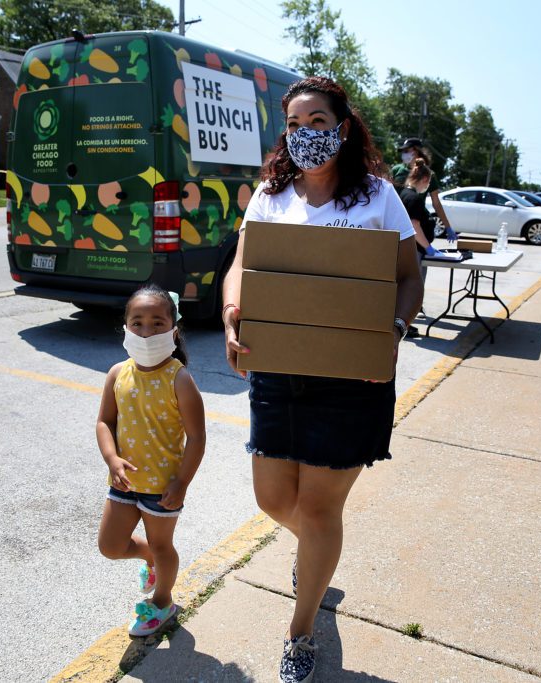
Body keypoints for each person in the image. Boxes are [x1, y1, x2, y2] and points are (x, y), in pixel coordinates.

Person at [220, 76, 422, 683]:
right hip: (277, 369)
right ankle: (317, 558)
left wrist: (394, 327)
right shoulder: (268, 197)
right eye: (295, 124)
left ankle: (300, 630)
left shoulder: (379, 197)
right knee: (274, 501)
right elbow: (241, 267)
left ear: (342, 125)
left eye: (318, 122)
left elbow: (408, 277)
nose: (306, 134)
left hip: (351, 379)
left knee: (318, 505)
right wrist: (232, 311)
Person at [95, 285, 206, 638]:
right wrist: (112, 459)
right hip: (123, 484)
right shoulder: (117, 374)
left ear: (174, 329)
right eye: (138, 322)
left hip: (163, 488)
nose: (146, 331)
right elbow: (104, 423)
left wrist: (182, 482)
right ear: (126, 327)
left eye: (157, 323)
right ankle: (151, 561)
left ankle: (163, 601)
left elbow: (197, 438)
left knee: (163, 545)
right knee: (110, 546)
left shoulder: (180, 379)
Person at [398, 158, 443, 337]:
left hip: (407, 249)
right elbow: (414, 226)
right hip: (414, 250)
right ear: (425, 180)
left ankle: (403, 324)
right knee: (412, 288)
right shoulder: (415, 198)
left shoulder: (403, 194)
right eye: (429, 182)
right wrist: (429, 247)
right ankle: (404, 324)